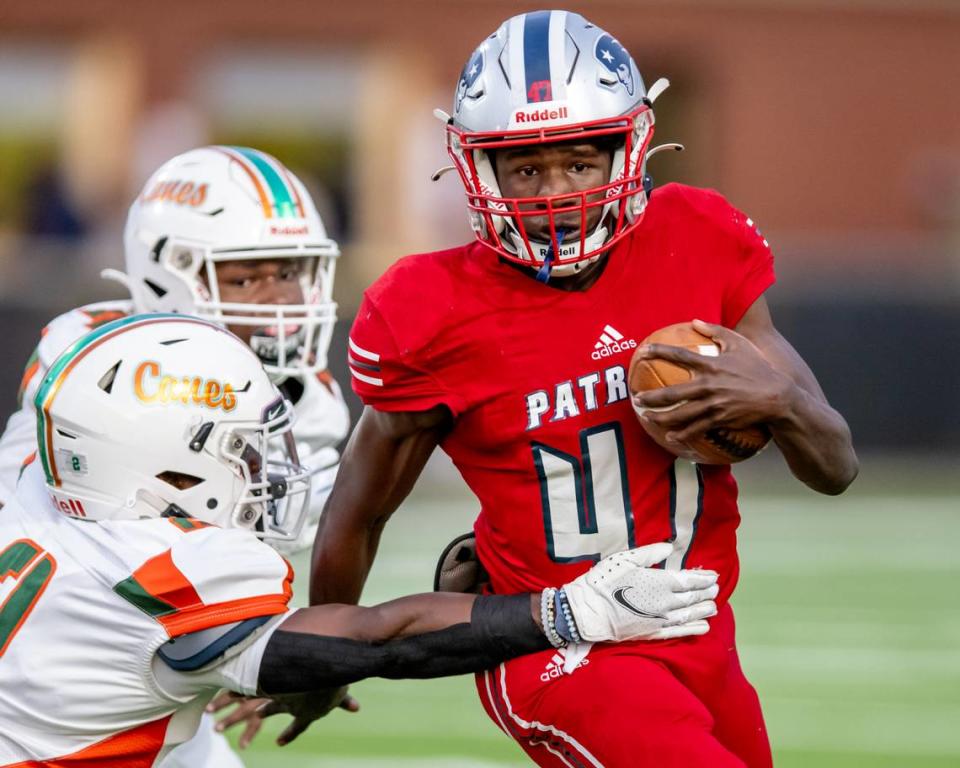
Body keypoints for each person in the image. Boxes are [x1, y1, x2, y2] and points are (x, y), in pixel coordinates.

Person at [310, 10, 858, 768]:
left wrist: (781, 400)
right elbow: (359, 509)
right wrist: (313, 656)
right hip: (561, 651)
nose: (554, 193)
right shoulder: (429, 308)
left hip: (699, 634)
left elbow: (836, 469)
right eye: (526, 169)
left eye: (578, 163)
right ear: (478, 169)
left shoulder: (699, 235)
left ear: (626, 151)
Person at [0, 315, 720, 766]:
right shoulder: (157, 572)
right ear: (163, 466)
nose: (263, 472)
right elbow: (372, 638)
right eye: (241, 452)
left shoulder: (34, 491)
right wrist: (566, 613)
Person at [0, 146, 350, 766]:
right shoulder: (90, 364)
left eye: (290, 271)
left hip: (149, 653)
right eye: (246, 277)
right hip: (61, 661)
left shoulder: (309, 404)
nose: (276, 300)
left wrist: (271, 640)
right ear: (168, 276)